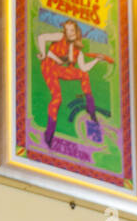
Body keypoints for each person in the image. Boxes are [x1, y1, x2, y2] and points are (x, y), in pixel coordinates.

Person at [37, 19, 111, 147]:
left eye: (72, 30)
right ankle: (49, 134)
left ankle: (91, 110)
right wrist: (44, 53)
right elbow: (42, 37)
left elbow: (84, 68)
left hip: (61, 70)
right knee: (57, 98)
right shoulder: (60, 37)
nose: (69, 33)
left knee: (84, 75)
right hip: (49, 66)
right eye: (67, 30)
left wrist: (96, 61)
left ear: (77, 32)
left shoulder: (78, 51)